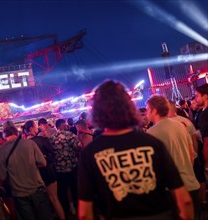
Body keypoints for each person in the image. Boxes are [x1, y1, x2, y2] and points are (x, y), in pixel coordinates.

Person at [78, 80, 194, 220]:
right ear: (129, 108)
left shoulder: (89, 154)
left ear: (96, 112)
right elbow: (184, 199)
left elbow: (84, 214)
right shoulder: (152, 142)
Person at [146, 95, 200, 219]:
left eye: (148, 110)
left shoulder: (151, 133)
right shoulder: (180, 126)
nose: (147, 114)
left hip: (174, 192)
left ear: (154, 110)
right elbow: (191, 153)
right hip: (192, 184)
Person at [0, 124, 52, 220]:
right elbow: (43, 163)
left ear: (4, 136)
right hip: (37, 188)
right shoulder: (30, 144)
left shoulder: (1, 151)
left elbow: (2, 176)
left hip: (19, 194)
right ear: (16, 132)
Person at [24, 120, 65, 220]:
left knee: (43, 202)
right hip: (47, 171)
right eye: (35, 126)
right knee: (54, 198)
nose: (37, 128)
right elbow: (52, 151)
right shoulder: (41, 139)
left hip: (35, 175)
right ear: (30, 129)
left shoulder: (24, 144)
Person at [50, 118, 82, 217]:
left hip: (59, 169)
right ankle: (79, 210)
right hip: (72, 167)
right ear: (62, 125)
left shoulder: (52, 138)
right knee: (75, 190)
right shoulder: (70, 135)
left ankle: (66, 212)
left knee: (62, 192)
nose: (66, 125)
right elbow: (79, 146)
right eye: (65, 124)